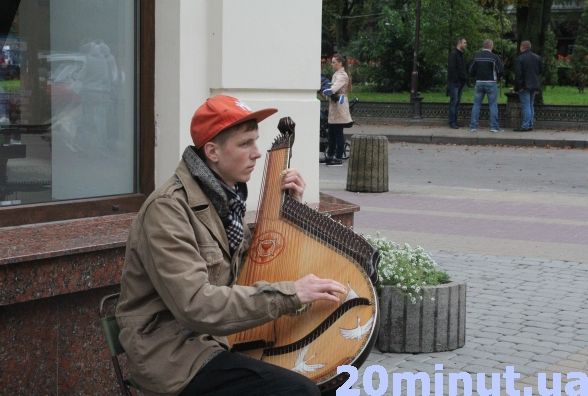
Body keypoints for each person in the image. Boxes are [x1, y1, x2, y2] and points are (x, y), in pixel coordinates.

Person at [115, 95, 347, 396]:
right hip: (174, 358)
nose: (257, 154)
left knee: (331, 371)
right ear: (212, 151)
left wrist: (289, 209)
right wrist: (292, 294)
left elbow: (253, 267)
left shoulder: (224, 201)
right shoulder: (167, 210)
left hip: (216, 342)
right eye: (245, 144)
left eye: (256, 142)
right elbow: (196, 306)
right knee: (298, 392)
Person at [322, 53, 353, 166]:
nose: (332, 64)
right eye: (332, 62)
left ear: (340, 63)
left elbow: (334, 89)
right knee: (331, 133)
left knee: (338, 133)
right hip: (335, 106)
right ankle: (330, 156)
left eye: (334, 62)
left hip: (340, 106)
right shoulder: (336, 74)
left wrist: (326, 90)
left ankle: (338, 158)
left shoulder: (342, 75)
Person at [468, 39, 504, 133]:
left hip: (479, 82)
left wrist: (476, 76)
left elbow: (471, 70)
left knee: (476, 104)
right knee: (492, 105)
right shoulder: (494, 57)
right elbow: (500, 70)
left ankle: (473, 126)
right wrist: (499, 77)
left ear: (483, 46)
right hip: (491, 83)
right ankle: (494, 127)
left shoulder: (476, 56)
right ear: (491, 46)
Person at [514, 40, 543, 132]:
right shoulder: (537, 57)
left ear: (522, 47)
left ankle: (525, 125)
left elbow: (518, 74)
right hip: (534, 85)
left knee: (526, 105)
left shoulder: (520, 58)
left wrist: (518, 87)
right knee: (530, 105)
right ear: (529, 47)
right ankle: (530, 124)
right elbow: (540, 71)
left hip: (524, 85)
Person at [447, 37, 468, 129]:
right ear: (459, 43)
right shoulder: (453, 54)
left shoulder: (461, 54)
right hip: (454, 83)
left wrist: (464, 79)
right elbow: (452, 69)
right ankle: (452, 122)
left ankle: (455, 121)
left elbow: (462, 69)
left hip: (460, 83)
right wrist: (457, 80)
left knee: (457, 102)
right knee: (454, 102)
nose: (466, 44)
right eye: (464, 42)